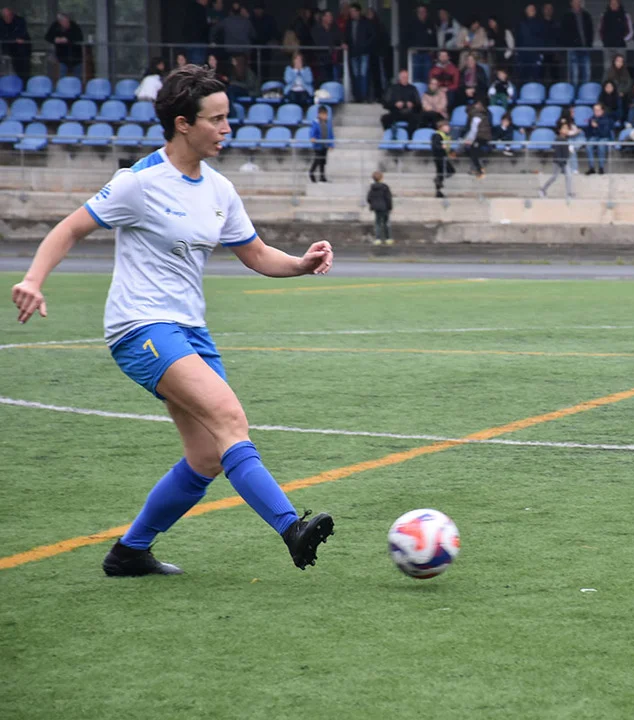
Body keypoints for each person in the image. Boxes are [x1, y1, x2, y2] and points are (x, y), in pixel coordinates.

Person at [10, 65, 336, 576]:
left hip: (191, 331)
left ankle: (129, 553)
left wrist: (301, 263)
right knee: (229, 419)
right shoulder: (139, 183)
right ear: (183, 124)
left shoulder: (219, 189)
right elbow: (69, 229)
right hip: (140, 328)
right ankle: (291, 528)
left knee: (207, 456)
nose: (227, 128)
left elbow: (254, 253)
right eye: (217, 119)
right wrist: (33, 279)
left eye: (228, 117)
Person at [539, 122, 573, 198]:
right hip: (558, 162)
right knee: (554, 177)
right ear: (560, 130)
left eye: (567, 128)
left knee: (569, 176)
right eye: (564, 128)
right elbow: (558, 152)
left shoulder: (566, 140)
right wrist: (561, 163)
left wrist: (569, 152)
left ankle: (569, 194)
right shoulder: (558, 139)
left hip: (565, 161)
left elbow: (565, 152)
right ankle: (542, 190)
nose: (566, 130)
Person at [45, 12, 84, 79]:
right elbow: (47, 37)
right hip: (62, 57)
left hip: (76, 57)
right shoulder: (55, 26)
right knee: (62, 75)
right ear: (59, 22)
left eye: (66, 21)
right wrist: (55, 39)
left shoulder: (74, 26)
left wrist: (67, 39)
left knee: (77, 76)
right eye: (63, 21)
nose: (65, 23)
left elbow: (80, 38)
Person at [367, 171, 393, 245]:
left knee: (377, 223)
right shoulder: (385, 187)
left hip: (376, 208)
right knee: (386, 223)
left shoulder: (372, 188)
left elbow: (369, 198)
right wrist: (390, 207)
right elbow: (388, 198)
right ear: (381, 178)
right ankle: (388, 239)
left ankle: (378, 239)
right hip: (385, 207)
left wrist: (373, 204)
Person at [432, 118, 456, 198]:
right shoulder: (437, 135)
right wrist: (441, 147)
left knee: (441, 173)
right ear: (441, 127)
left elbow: (447, 146)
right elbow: (435, 145)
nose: (448, 128)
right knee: (449, 171)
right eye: (446, 126)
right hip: (439, 157)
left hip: (444, 156)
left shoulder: (446, 136)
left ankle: (438, 191)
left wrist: (450, 152)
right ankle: (437, 180)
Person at [309, 105, 334, 182]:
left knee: (323, 161)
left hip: (325, 145)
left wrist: (331, 144)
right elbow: (312, 131)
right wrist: (312, 137)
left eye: (326, 114)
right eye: (323, 114)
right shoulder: (315, 122)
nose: (325, 116)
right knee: (318, 160)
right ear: (319, 114)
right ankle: (311, 172)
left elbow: (331, 134)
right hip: (318, 145)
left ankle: (322, 177)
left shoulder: (328, 122)